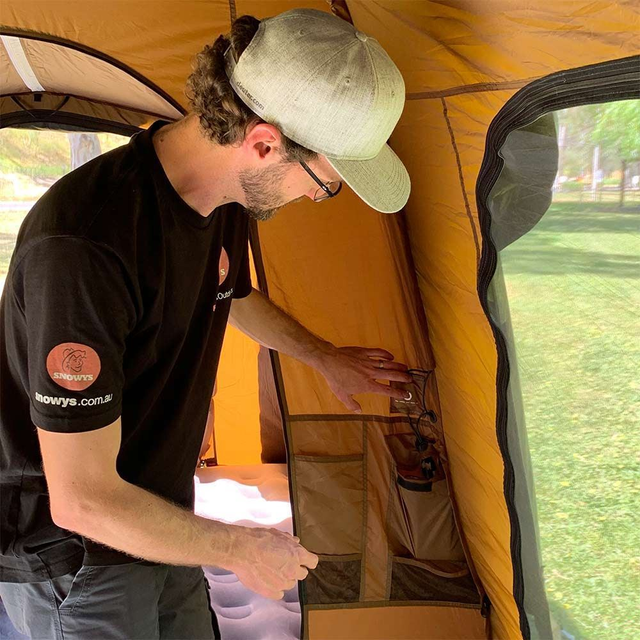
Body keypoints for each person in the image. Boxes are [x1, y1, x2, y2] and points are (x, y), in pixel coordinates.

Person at [0, 8, 412, 640]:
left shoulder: (225, 197)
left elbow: (231, 292)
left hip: (162, 519)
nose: (313, 198)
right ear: (265, 142)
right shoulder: (84, 245)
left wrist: (323, 357)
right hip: (77, 556)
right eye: (325, 184)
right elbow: (80, 498)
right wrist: (240, 549)